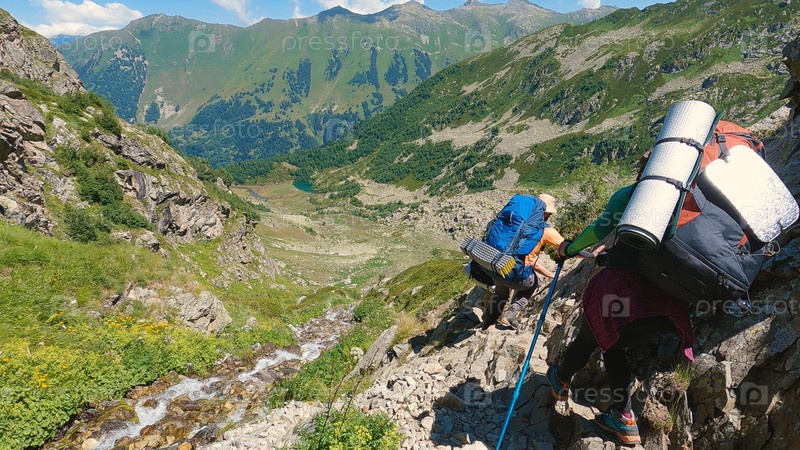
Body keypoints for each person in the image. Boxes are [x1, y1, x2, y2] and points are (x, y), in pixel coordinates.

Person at [546, 164, 694, 446]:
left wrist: (570, 248)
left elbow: (600, 228)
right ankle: (622, 417)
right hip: (672, 305)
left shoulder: (633, 194)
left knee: (593, 334)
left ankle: (561, 380)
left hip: (626, 295)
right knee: (613, 344)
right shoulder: (691, 202)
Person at [484, 193, 566, 330]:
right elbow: (566, 248)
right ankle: (512, 312)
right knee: (534, 284)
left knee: (501, 293)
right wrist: (552, 275)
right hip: (515, 275)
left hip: (497, 269)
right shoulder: (544, 230)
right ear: (545, 212)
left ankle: (488, 321)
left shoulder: (516, 223)